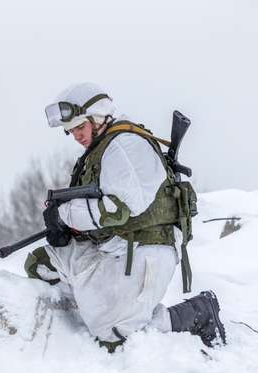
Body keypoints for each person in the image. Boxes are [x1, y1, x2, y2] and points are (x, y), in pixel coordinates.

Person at [24, 82, 226, 352]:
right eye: (70, 132)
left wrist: (65, 214)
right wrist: (65, 228)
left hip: (143, 253)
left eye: (79, 128)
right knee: (42, 263)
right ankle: (93, 315)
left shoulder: (125, 146)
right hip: (114, 248)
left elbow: (118, 210)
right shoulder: (105, 147)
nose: (76, 136)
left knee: (115, 339)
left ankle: (198, 312)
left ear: (97, 118)